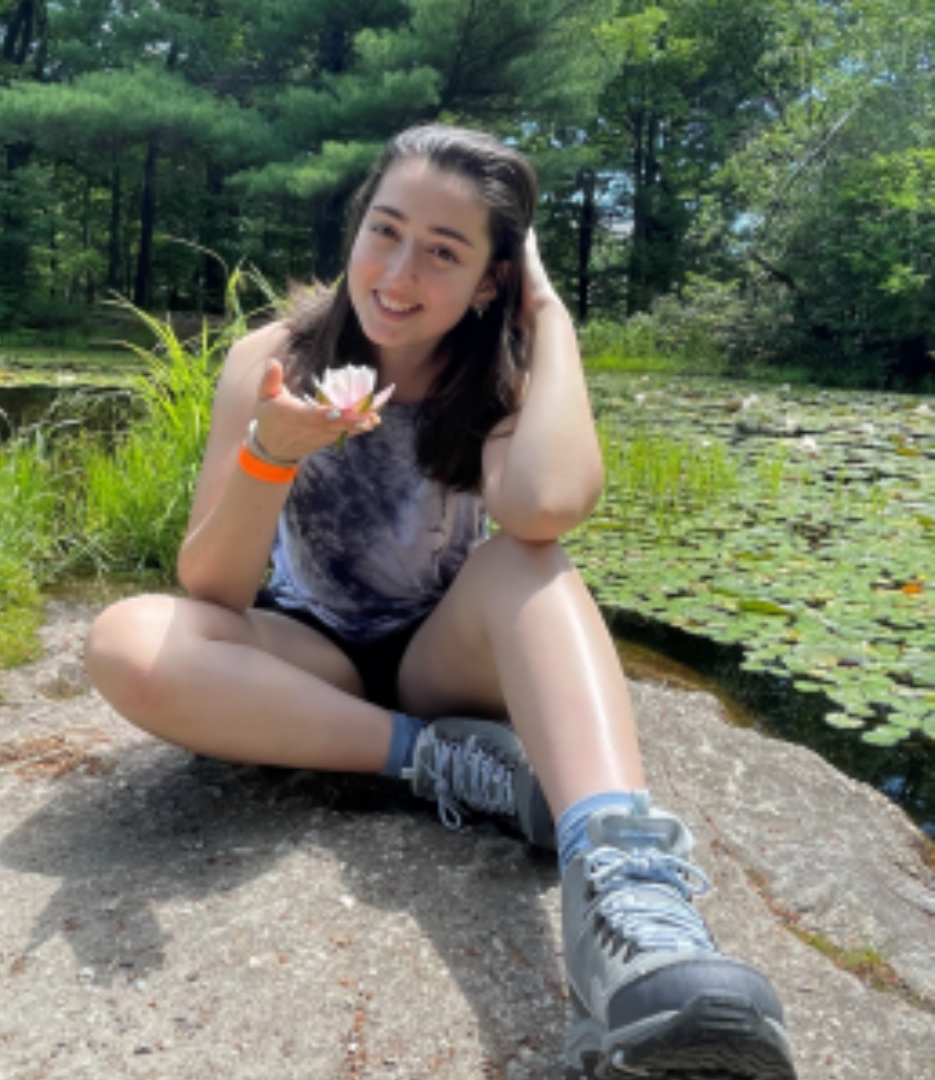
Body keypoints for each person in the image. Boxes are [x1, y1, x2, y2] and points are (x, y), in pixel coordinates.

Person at [85, 124, 797, 1080]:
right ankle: (438, 766)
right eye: (385, 230)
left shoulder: (500, 375)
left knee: (527, 563)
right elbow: (212, 586)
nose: (398, 271)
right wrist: (272, 453)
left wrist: (552, 323)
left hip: (443, 656)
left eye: (445, 252)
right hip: (314, 652)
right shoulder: (274, 356)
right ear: (357, 227)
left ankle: (630, 899)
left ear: (491, 281)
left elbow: (544, 506)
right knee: (125, 643)